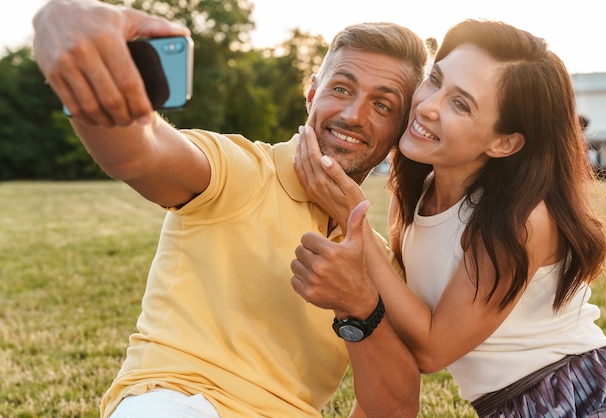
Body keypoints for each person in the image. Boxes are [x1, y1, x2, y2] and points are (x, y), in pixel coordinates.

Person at [32, 0, 429, 417]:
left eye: (382, 105)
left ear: (400, 131)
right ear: (312, 93)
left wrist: (360, 304)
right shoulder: (241, 169)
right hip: (179, 402)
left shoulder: (379, 262)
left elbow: (393, 410)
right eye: (341, 89)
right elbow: (139, 151)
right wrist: (64, 25)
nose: (353, 114)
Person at [291, 19, 606, 417]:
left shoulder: (522, 220)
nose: (428, 106)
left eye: (460, 104)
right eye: (434, 80)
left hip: (585, 394)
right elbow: (396, 326)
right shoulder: (411, 194)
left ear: (504, 142)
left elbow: (432, 349)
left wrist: (352, 216)